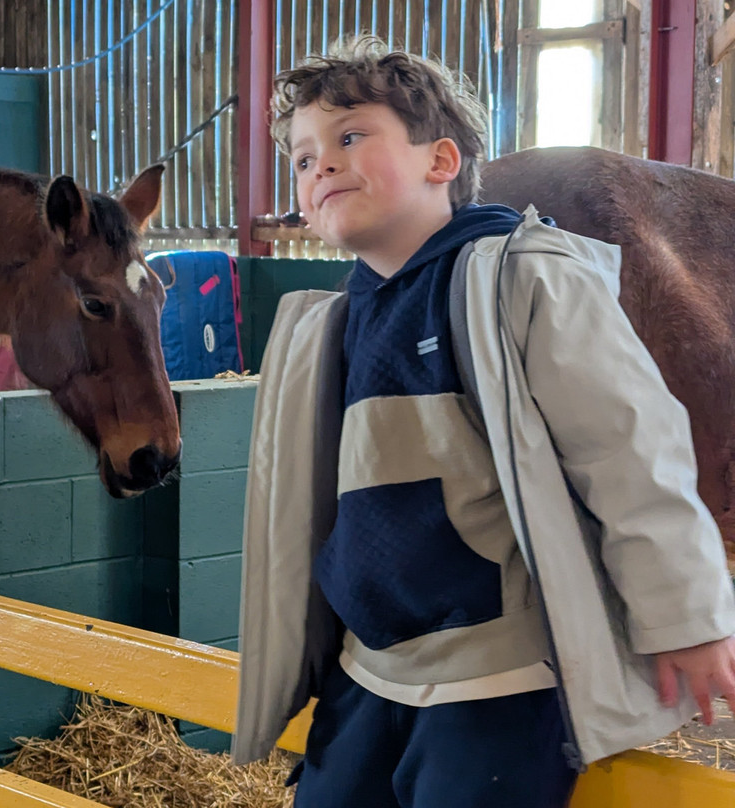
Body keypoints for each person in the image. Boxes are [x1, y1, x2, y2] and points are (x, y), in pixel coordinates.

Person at [232, 35, 735, 808]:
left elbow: (631, 449)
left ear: (440, 162)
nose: (320, 164)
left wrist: (686, 616)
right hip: (366, 673)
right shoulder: (323, 327)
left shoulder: (523, 277)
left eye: (350, 136)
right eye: (301, 158)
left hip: (495, 682)